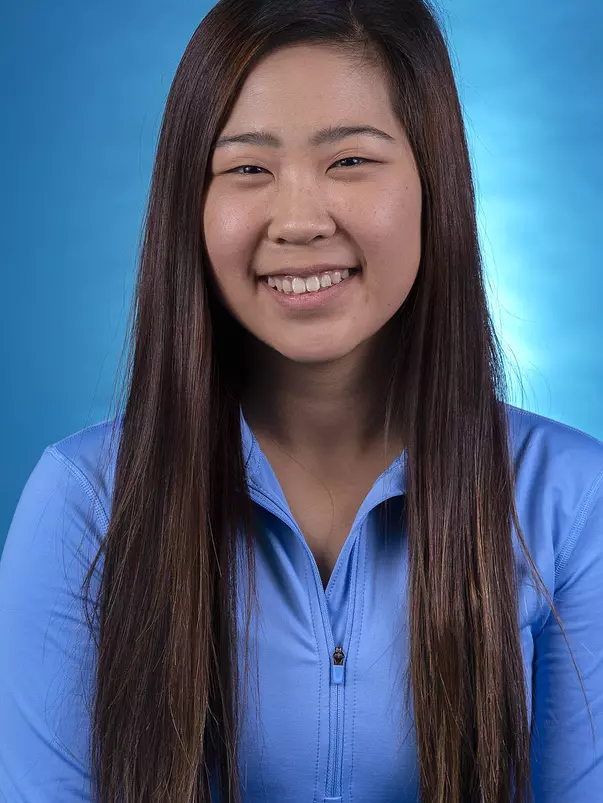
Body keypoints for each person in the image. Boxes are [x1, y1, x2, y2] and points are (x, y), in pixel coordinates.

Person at [1, 0, 602, 801]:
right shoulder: (82, 505)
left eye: (350, 161)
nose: (298, 220)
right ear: (192, 202)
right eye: (247, 167)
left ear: (435, 181)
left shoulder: (570, 500)